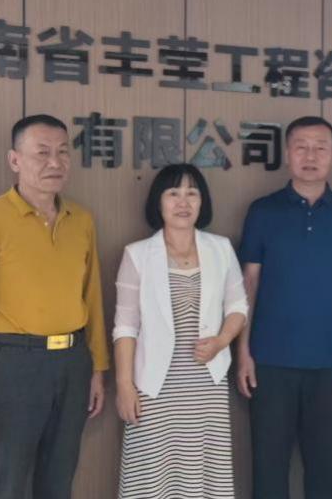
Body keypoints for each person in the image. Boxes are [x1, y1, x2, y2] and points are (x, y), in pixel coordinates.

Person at [0, 114, 109, 499]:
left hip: (72, 363)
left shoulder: (81, 220)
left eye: (63, 152)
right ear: (14, 160)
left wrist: (97, 368)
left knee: (59, 479)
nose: (55, 162)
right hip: (12, 364)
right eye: (42, 153)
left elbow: (92, 298)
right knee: (8, 482)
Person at [235, 116, 332, 499]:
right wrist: (243, 352)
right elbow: (248, 284)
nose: (310, 156)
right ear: (287, 154)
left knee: (325, 468)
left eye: (320, 148)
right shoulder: (263, 211)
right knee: (268, 466)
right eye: (301, 147)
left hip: (331, 364)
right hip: (269, 362)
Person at [112, 164, 248, 498]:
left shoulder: (220, 248)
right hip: (154, 387)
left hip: (206, 385)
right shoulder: (138, 254)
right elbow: (126, 326)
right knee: (152, 480)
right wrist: (124, 385)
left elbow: (238, 307)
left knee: (203, 477)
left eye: (192, 193)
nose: (183, 202)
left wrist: (222, 341)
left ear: (203, 202)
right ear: (158, 203)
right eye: (173, 193)